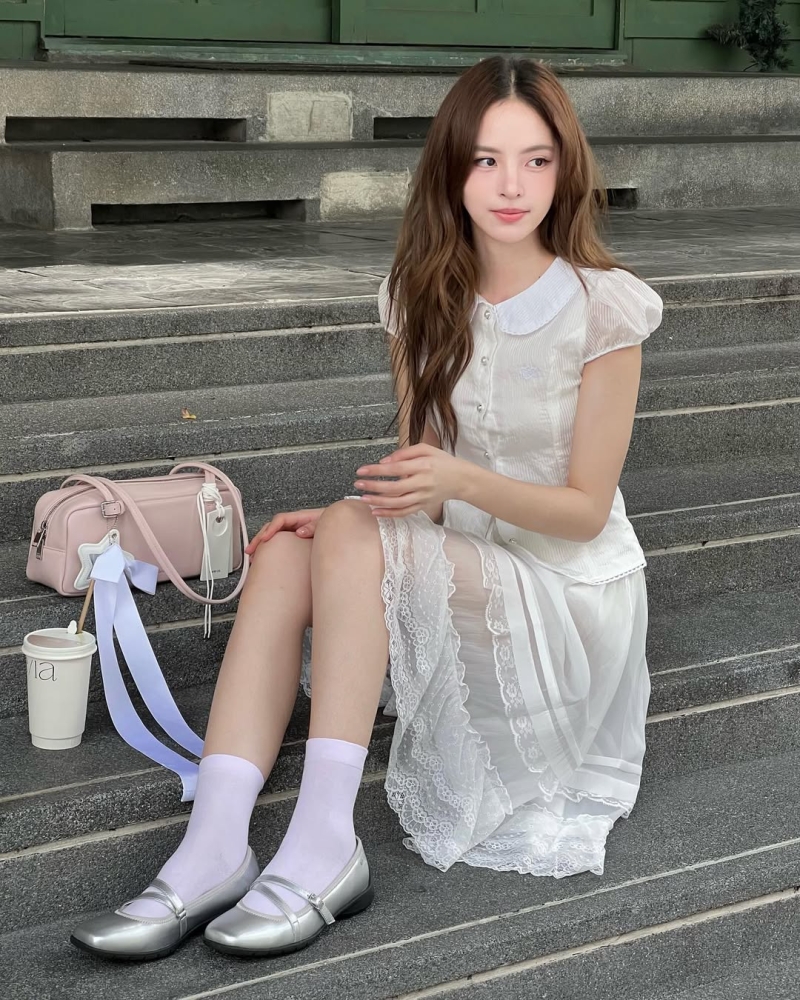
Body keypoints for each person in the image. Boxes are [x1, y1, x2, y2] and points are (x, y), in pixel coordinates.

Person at [70, 54, 662, 962]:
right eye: (486, 160)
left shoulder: (604, 307)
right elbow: (422, 474)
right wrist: (365, 519)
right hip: (468, 554)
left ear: (566, 169)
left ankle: (323, 845)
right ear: (451, 168)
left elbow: (584, 513)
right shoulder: (418, 296)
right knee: (284, 551)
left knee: (346, 529)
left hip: (571, 589)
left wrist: (441, 490)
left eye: (536, 160)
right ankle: (213, 849)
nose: (512, 186)